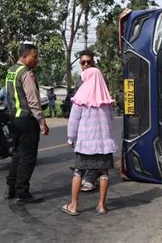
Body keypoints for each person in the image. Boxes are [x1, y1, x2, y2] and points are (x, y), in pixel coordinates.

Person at [62, 67, 117, 216]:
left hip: (85, 143)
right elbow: (111, 118)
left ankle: (73, 205)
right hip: (104, 143)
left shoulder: (80, 99)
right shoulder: (106, 99)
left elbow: (73, 121)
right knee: (104, 173)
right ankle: (102, 205)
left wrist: (70, 138)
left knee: (78, 172)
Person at [4, 43, 49, 204]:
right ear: (24, 56)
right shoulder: (26, 73)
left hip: (13, 118)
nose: (36, 60)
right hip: (26, 119)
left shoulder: (11, 71)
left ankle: (11, 188)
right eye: (34, 56)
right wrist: (42, 122)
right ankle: (22, 192)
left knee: (17, 153)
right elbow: (33, 100)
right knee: (28, 156)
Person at [75, 49, 100, 192]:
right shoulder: (79, 79)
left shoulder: (100, 78)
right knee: (83, 149)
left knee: (95, 150)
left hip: (96, 121)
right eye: (83, 62)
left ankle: (91, 179)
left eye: (88, 62)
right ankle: (85, 174)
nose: (85, 65)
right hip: (82, 121)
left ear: (93, 62)